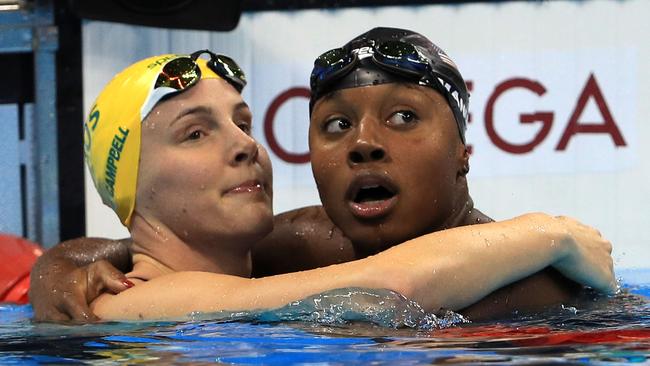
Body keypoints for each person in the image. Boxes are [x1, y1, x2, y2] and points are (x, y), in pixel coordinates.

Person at [30, 29, 615, 321]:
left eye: (242, 123)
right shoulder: (129, 305)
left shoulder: (301, 247)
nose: (245, 146)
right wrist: (549, 231)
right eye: (196, 132)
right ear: (131, 180)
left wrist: (55, 263)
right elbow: (390, 288)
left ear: (463, 147)